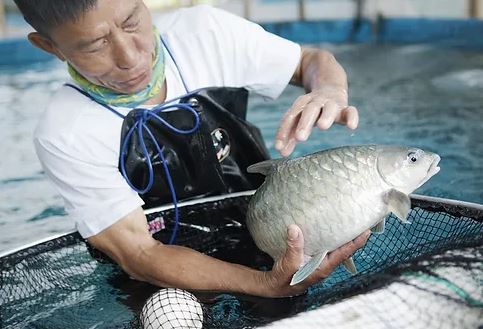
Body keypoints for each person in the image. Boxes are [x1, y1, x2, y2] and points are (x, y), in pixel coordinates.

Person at [14, 0, 370, 298]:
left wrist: (329, 90)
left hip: (266, 230)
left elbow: (309, 62)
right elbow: (139, 253)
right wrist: (266, 284)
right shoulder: (65, 132)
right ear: (51, 47)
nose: (129, 57)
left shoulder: (206, 33)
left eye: (132, 21)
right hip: (163, 275)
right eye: (95, 45)